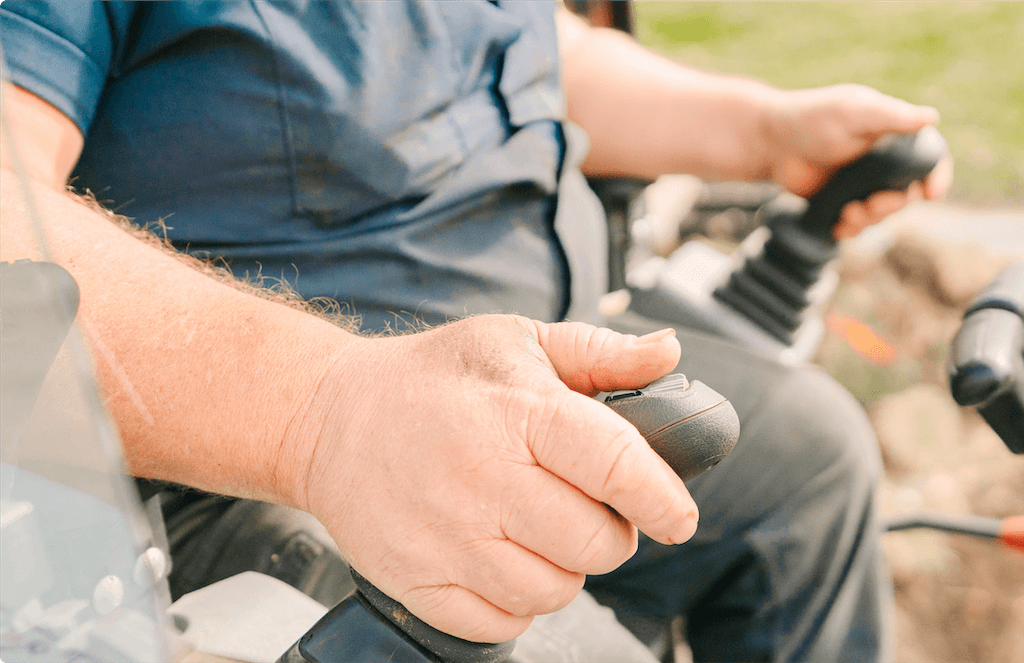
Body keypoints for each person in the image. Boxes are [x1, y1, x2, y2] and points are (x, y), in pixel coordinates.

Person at [0, 2, 951, 661]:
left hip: (525, 364)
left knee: (811, 461)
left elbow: (538, 49)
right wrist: (329, 415)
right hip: (252, 453)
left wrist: (761, 132)